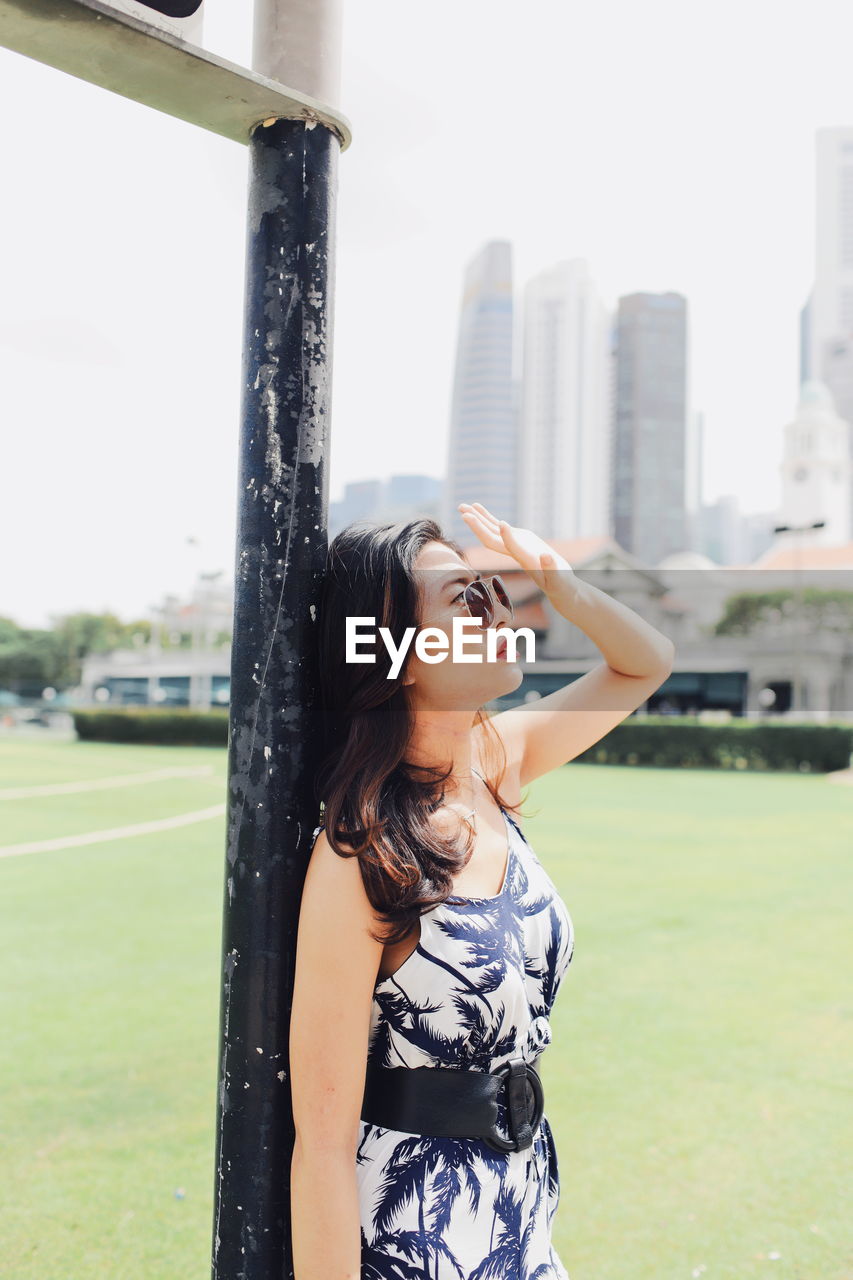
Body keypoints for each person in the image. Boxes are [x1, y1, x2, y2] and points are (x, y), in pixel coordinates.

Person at [289, 502, 675, 1279]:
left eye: (495, 594)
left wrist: (560, 586)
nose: (497, 611)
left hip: (520, 1196)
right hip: (416, 1227)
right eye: (466, 598)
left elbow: (645, 662)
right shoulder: (360, 853)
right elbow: (323, 1144)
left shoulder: (494, 763)